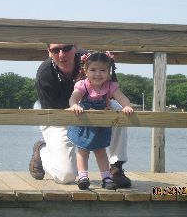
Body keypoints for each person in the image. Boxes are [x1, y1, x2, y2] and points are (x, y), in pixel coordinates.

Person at [29, 43, 132, 188]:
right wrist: (79, 108)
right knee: (66, 176)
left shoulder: (95, 60)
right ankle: (41, 150)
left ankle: (116, 167)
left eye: (66, 48)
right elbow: (52, 113)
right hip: (58, 118)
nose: (61, 54)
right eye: (55, 50)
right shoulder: (45, 73)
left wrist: (119, 105)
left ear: (75, 48)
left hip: (92, 112)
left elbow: (115, 93)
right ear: (48, 51)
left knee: (119, 110)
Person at [68, 52, 133, 190]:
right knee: (82, 150)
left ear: (108, 72)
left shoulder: (110, 86)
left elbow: (121, 97)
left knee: (100, 151)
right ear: (85, 71)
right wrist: (74, 105)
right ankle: (83, 176)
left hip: (101, 124)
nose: (98, 74)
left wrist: (126, 106)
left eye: (102, 70)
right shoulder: (83, 85)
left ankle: (106, 178)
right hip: (85, 121)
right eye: (93, 70)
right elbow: (73, 97)